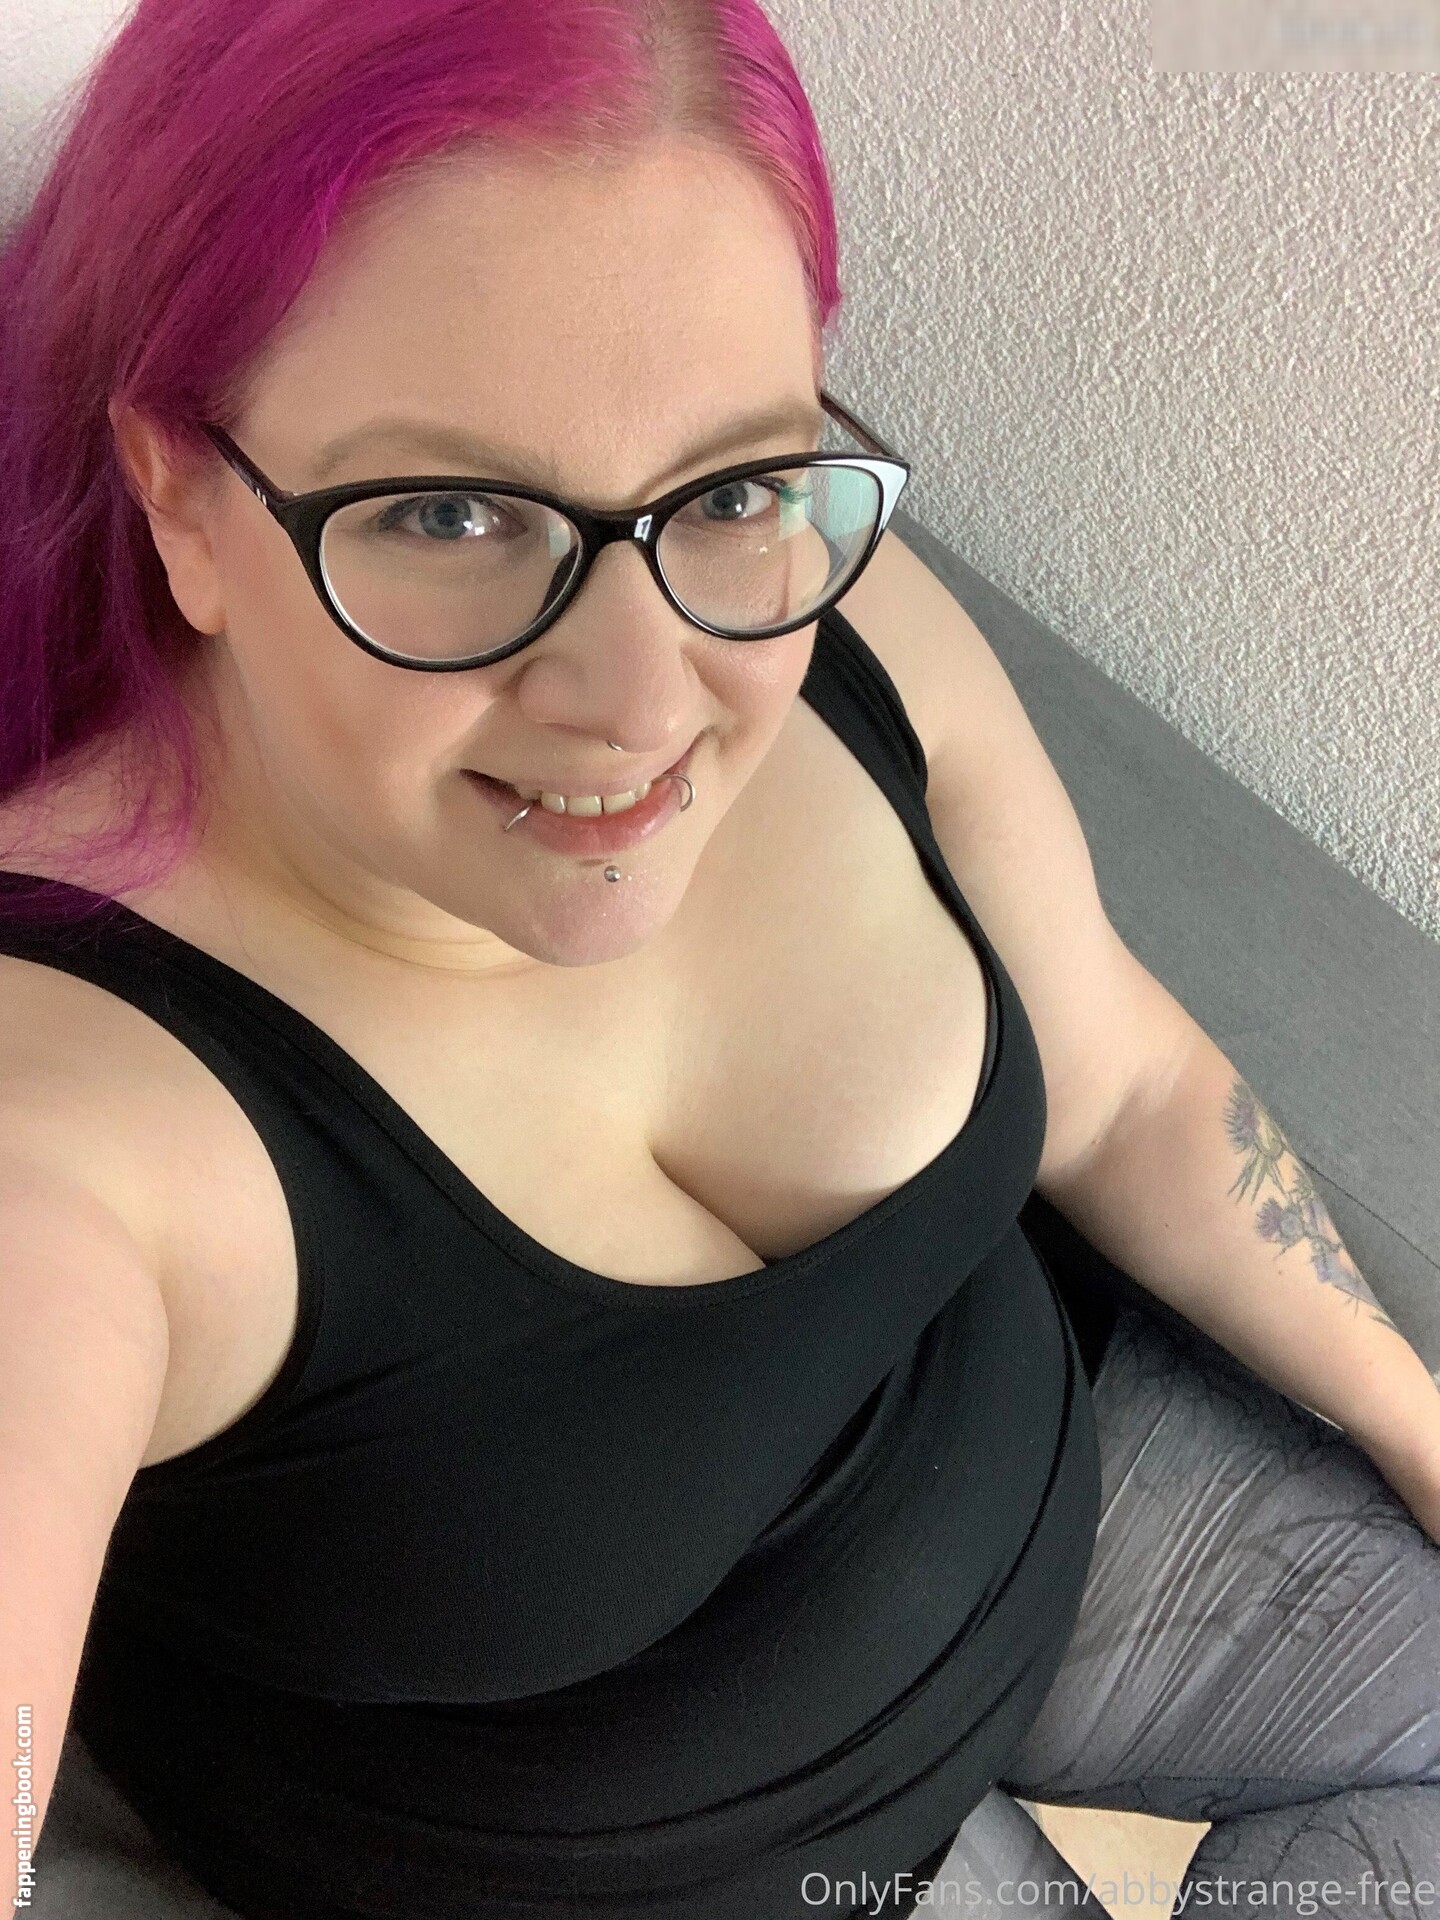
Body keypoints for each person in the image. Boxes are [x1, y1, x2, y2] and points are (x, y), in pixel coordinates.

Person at [0, 4, 1437, 1918]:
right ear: (183, 495)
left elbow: (1124, 1086)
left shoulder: (833, 610)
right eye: (450, 513)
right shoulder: (68, 1108)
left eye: (735, 485)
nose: (641, 700)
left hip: (1089, 1519)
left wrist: (1424, 1429)